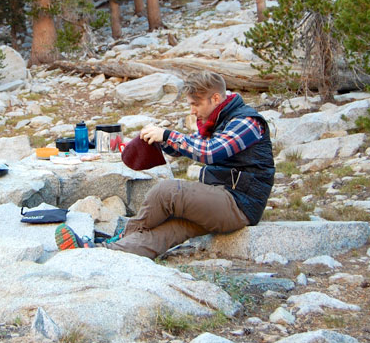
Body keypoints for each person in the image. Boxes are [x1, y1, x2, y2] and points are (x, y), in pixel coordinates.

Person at [55, 71, 275, 259]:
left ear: (216, 98)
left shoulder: (246, 122)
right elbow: (190, 146)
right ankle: (101, 252)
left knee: (168, 191)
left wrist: (169, 134)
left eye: (196, 104)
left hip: (239, 204)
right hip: (220, 200)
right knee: (168, 230)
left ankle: (123, 235)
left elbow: (210, 152)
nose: (192, 111)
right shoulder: (217, 121)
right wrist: (162, 141)